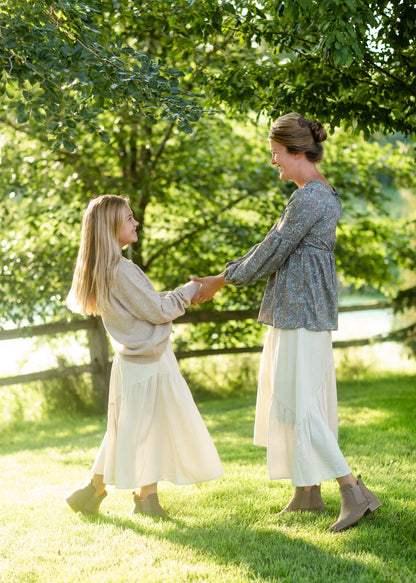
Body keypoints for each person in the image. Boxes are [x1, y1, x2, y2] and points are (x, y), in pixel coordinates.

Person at [190, 112, 381, 532]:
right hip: (297, 313)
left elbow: (272, 249)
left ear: (297, 153)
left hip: (302, 315)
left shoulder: (310, 197)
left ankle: (353, 492)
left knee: (302, 406)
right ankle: (306, 493)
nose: (273, 161)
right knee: (293, 404)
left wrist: (221, 280)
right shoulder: (315, 194)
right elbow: (276, 248)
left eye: (276, 154)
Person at [65, 195, 223, 517]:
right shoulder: (121, 270)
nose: (135, 222)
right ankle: (145, 500)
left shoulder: (103, 269)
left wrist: (172, 297)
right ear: (110, 227)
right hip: (148, 362)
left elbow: (146, 305)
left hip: (131, 362)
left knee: (131, 426)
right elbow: (159, 309)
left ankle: (94, 491)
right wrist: (191, 290)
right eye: (128, 218)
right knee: (149, 426)